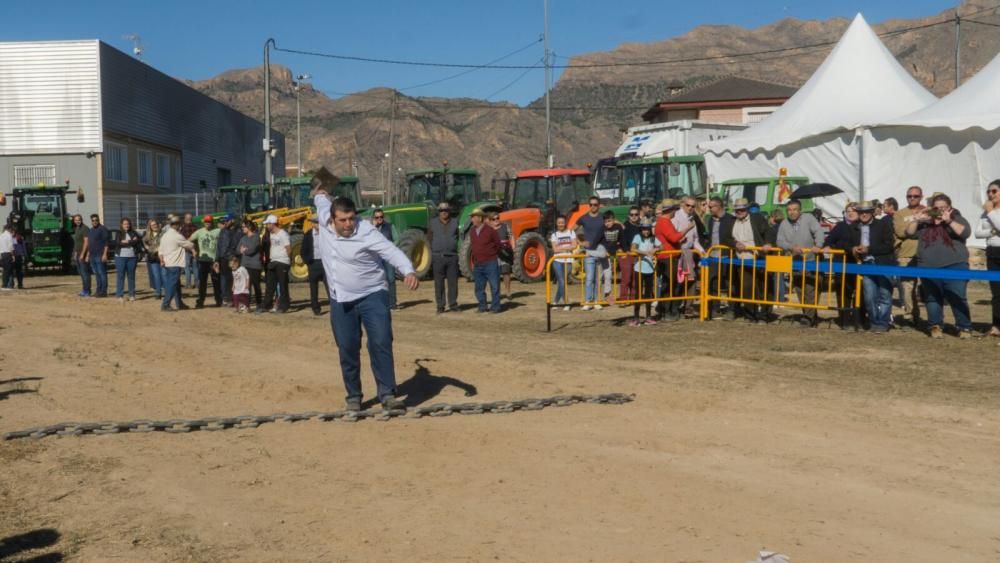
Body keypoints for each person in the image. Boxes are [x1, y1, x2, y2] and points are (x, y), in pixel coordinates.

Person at [313, 185, 418, 412]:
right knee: (348, 347)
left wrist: (408, 271)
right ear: (332, 219)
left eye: (351, 218)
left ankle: (387, 394)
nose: (348, 224)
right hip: (340, 299)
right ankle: (353, 396)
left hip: (373, 294)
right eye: (342, 220)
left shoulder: (367, 232)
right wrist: (321, 191)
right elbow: (321, 199)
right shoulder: (323, 216)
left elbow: (391, 251)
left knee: (380, 341)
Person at [906, 193, 973, 339]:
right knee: (932, 298)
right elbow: (909, 233)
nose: (940, 211)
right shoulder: (925, 223)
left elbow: (965, 233)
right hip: (928, 267)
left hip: (955, 265)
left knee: (957, 297)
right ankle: (935, 326)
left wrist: (949, 221)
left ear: (949, 208)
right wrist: (916, 219)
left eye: (943, 208)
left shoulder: (957, 218)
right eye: (937, 208)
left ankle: (964, 327)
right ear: (932, 209)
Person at [776, 199, 825, 327]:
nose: (791, 213)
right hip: (795, 262)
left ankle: (808, 318)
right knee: (799, 290)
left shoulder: (808, 218)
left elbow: (819, 232)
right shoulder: (784, 223)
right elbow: (779, 241)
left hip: (811, 260)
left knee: (810, 290)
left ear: (800, 210)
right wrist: (791, 247)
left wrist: (818, 245)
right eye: (789, 210)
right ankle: (810, 316)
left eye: (794, 210)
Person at [722, 198, 770, 322]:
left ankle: (764, 314)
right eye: (737, 210)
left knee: (763, 287)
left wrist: (768, 243)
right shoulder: (731, 221)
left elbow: (769, 232)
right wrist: (735, 243)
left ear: (747, 209)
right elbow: (725, 238)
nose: (739, 212)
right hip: (742, 260)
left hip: (759, 258)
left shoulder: (757, 218)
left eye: (742, 209)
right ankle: (750, 314)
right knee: (747, 288)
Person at [851, 201, 897, 333]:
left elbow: (889, 245)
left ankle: (883, 322)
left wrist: (869, 250)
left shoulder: (883, 224)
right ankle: (874, 321)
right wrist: (852, 248)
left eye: (866, 211)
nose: (863, 214)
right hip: (865, 265)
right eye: (861, 212)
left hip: (884, 264)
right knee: (869, 296)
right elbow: (845, 242)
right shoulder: (854, 227)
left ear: (872, 212)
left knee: (885, 295)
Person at [823, 202, 862, 330]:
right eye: (847, 211)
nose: (850, 213)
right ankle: (844, 319)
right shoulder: (840, 226)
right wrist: (830, 246)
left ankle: (859, 319)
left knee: (860, 293)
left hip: (858, 265)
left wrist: (839, 244)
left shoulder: (862, 226)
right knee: (843, 293)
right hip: (842, 264)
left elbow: (858, 243)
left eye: (853, 210)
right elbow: (828, 241)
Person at [654, 199, 691, 321]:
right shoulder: (664, 222)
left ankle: (665, 310)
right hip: (668, 258)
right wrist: (688, 228)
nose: (676, 211)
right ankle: (666, 311)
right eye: (675, 209)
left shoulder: (664, 222)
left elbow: (672, 239)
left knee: (669, 284)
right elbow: (674, 238)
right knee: (669, 285)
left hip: (669, 257)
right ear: (670, 211)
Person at [893, 186, 924, 329]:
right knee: (907, 288)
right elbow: (900, 232)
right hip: (906, 254)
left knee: (929, 288)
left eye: (915, 196)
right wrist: (916, 224)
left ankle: (934, 320)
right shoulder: (900, 214)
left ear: (921, 197)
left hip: (926, 254)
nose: (912, 198)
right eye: (909, 196)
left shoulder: (928, 211)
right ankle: (909, 317)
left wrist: (912, 229)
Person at [975, 179, 1000, 338]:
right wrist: (992, 232)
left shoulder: (989, 211)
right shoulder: (985, 212)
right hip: (992, 252)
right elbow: (977, 233)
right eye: (988, 191)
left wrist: (991, 212)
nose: (990, 194)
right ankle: (996, 326)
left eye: (994, 191)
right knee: (996, 292)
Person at [704, 197, 734, 319]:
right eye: (709, 207)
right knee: (713, 283)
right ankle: (714, 308)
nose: (709, 209)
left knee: (729, 283)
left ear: (719, 206)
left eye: (711, 207)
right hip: (713, 256)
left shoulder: (730, 219)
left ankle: (731, 309)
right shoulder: (710, 219)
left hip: (727, 255)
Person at [427, 202, 459, 314]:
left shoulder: (455, 222)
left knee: (453, 283)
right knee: (439, 283)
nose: (443, 212)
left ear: (449, 211)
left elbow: (458, 237)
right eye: (441, 210)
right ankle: (440, 306)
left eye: (445, 210)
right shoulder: (432, 223)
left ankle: (453, 304)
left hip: (452, 257)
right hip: (438, 257)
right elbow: (429, 239)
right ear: (438, 212)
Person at [158, 214, 195, 312]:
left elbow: (160, 250)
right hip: (175, 263)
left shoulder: (165, 235)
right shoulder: (176, 235)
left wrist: (161, 260)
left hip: (167, 263)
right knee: (172, 285)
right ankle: (165, 305)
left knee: (176, 285)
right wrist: (194, 238)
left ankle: (179, 304)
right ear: (177, 224)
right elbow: (189, 245)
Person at [629, 220, 661, 326]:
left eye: (647, 229)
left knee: (648, 294)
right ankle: (636, 318)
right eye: (644, 229)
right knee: (638, 293)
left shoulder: (653, 238)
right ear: (641, 230)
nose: (646, 231)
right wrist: (645, 253)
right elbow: (633, 248)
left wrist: (655, 249)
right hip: (639, 269)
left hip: (650, 269)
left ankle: (648, 317)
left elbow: (662, 246)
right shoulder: (637, 237)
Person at [469, 208, 502, 313]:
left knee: (495, 286)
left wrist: (490, 254)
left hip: (490, 262)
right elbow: (473, 247)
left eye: (473, 217)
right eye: (472, 217)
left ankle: (495, 307)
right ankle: (482, 306)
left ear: (480, 218)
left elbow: (498, 245)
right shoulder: (472, 231)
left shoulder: (490, 231)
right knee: (479, 287)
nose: (472, 219)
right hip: (478, 263)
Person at [577, 196, 605, 310]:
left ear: (599, 205)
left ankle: (597, 300)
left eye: (595, 204)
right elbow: (571, 230)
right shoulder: (583, 218)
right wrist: (581, 242)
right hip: (589, 252)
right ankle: (588, 300)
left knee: (599, 278)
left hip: (601, 250)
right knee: (589, 278)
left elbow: (615, 224)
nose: (593, 206)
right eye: (591, 204)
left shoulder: (603, 217)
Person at [261, 214, 291, 313]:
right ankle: (266, 305)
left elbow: (288, 249)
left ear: (273, 224)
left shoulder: (283, 234)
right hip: (273, 261)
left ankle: (284, 306)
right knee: (270, 285)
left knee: (283, 285)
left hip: (282, 262)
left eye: (268, 224)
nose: (266, 226)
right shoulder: (271, 234)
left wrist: (285, 259)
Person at [190, 215, 220, 308]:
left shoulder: (217, 231)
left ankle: (219, 300)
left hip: (213, 261)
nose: (208, 224)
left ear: (212, 222)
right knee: (202, 282)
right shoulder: (199, 232)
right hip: (202, 261)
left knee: (216, 282)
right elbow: (189, 241)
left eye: (209, 222)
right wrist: (193, 251)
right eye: (206, 222)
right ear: (204, 223)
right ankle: (200, 302)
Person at [371, 209, 398, 309]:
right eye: (377, 217)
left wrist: (389, 248)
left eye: (381, 217)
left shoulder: (390, 226)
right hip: (375, 258)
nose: (379, 219)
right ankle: (380, 303)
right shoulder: (370, 228)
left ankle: (392, 303)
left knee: (390, 279)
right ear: (373, 218)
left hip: (388, 258)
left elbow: (397, 239)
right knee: (377, 281)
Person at [300, 216, 328, 315]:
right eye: (315, 222)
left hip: (325, 263)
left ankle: (334, 306)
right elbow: (303, 249)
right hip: (313, 263)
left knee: (329, 285)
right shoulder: (308, 234)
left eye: (318, 222)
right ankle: (315, 308)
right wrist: (308, 261)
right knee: (313, 287)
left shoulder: (327, 234)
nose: (317, 224)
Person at [549, 215, 576, 311]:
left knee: (562, 282)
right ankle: (566, 302)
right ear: (556, 224)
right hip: (557, 260)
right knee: (562, 281)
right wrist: (566, 248)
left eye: (562, 222)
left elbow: (574, 245)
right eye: (559, 222)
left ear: (565, 223)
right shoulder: (554, 235)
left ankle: (556, 301)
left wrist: (561, 247)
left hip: (568, 260)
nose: (561, 224)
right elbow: (555, 250)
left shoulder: (571, 232)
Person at [113, 217, 142, 303]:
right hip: (120, 257)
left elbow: (137, 241)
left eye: (128, 224)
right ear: (121, 225)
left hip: (132, 257)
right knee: (121, 276)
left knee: (131, 276)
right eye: (125, 224)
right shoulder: (118, 233)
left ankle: (132, 295)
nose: (127, 225)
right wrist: (131, 241)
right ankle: (120, 295)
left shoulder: (134, 232)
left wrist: (126, 242)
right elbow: (118, 243)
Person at [599, 210, 624, 304]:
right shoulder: (602, 229)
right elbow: (601, 242)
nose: (607, 223)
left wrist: (619, 247)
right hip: (600, 254)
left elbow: (620, 239)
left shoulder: (617, 228)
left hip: (608, 255)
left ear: (613, 220)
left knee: (608, 275)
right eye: (605, 221)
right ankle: (595, 298)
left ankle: (607, 295)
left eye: (609, 221)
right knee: (598, 277)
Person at [215, 215, 241, 307]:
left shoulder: (238, 231)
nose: (225, 222)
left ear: (232, 220)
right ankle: (226, 298)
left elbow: (236, 245)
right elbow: (219, 246)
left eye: (227, 221)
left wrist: (233, 256)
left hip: (232, 258)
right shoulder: (223, 231)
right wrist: (217, 259)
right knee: (225, 279)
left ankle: (232, 298)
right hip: (224, 259)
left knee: (233, 279)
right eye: (224, 221)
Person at [618, 206, 642, 303]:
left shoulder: (641, 227)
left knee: (635, 279)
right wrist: (624, 251)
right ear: (628, 216)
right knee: (626, 278)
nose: (634, 216)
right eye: (632, 215)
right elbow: (621, 240)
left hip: (638, 255)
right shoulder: (624, 226)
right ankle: (623, 299)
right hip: (626, 255)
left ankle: (633, 298)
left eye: (636, 214)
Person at [238, 221, 263, 310]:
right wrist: (242, 250)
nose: (242, 228)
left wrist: (244, 250)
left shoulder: (256, 237)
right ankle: (246, 305)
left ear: (249, 227)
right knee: (245, 286)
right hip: (244, 265)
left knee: (256, 286)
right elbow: (238, 250)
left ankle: (259, 304)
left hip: (254, 265)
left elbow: (252, 250)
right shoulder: (243, 238)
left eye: (244, 226)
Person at [84, 214, 110, 297]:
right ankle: (98, 291)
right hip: (92, 255)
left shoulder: (103, 229)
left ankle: (103, 291)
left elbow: (106, 243)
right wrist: (87, 255)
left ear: (98, 220)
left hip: (100, 255)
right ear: (91, 221)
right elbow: (90, 244)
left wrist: (105, 254)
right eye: (93, 220)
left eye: (96, 220)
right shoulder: (91, 230)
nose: (94, 222)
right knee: (97, 274)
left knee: (102, 273)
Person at [490, 213, 514, 301]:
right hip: (494, 254)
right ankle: (497, 293)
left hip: (505, 252)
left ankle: (508, 292)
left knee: (506, 272)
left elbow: (511, 236)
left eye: (497, 218)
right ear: (490, 221)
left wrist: (513, 247)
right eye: (493, 219)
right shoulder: (489, 229)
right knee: (494, 274)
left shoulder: (505, 226)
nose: (496, 220)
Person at [71, 214, 91, 297]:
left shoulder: (85, 228)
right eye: (76, 220)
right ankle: (84, 290)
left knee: (85, 273)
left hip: (83, 254)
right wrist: (75, 254)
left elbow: (86, 242)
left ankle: (87, 291)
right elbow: (76, 243)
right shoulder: (77, 228)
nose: (77, 221)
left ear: (81, 219)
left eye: (79, 219)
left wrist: (83, 254)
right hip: (78, 253)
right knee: (81, 273)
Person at [143, 219, 164, 299]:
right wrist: (147, 248)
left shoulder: (162, 233)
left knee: (164, 275)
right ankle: (158, 293)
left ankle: (167, 292)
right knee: (156, 275)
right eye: (152, 225)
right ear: (150, 227)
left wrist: (158, 248)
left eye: (155, 224)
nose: (154, 226)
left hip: (163, 257)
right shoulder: (148, 234)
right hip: (153, 258)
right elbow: (143, 241)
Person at [180, 213, 198, 289]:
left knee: (187, 267)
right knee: (195, 267)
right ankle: (197, 284)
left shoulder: (183, 228)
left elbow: (182, 239)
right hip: (195, 249)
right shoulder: (196, 227)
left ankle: (188, 284)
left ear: (185, 219)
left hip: (187, 250)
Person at [0, 224, 14, 290]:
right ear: (9, 229)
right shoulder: (9, 235)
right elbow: (11, 246)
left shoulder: (1, 235)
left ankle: (4, 284)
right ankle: (6, 285)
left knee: (5, 270)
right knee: (8, 270)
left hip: (2, 254)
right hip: (8, 254)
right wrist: (13, 255)